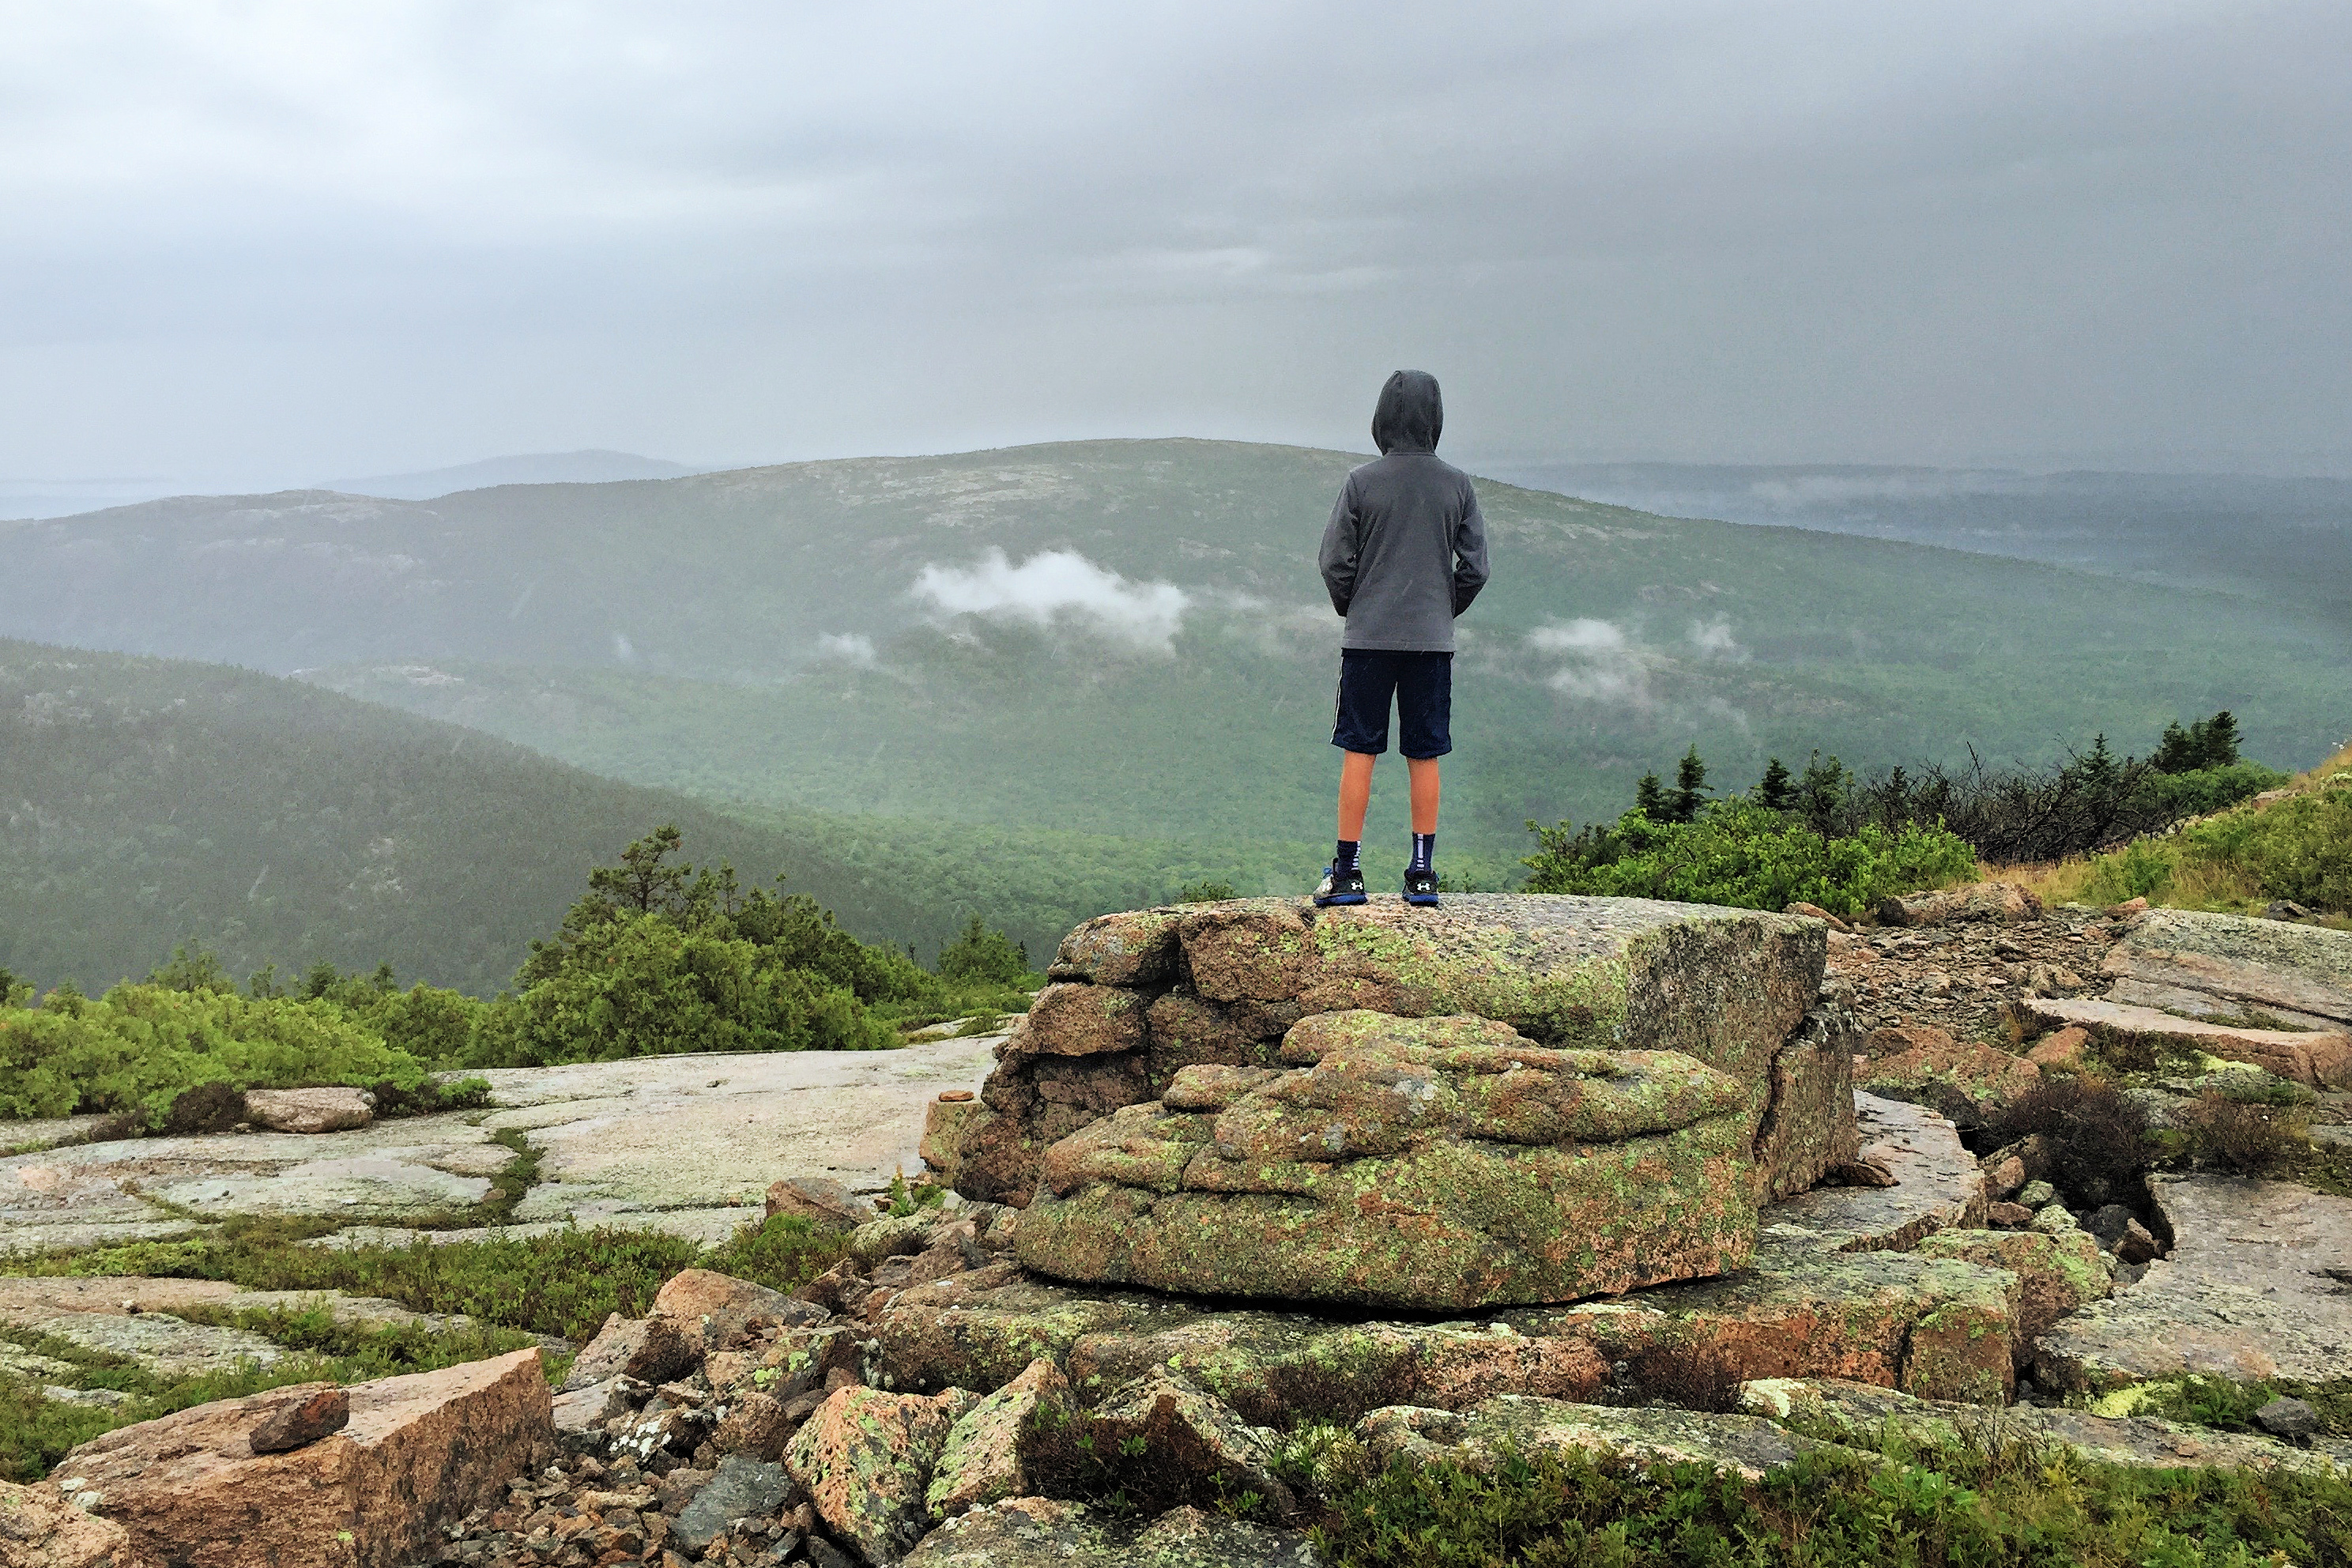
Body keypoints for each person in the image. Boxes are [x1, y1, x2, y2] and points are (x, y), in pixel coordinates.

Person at [1314, 370, 1488, 908]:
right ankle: (1422, 873)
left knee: (1360, 750)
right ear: (1435, 419)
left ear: (1382, 420)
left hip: (1368, 641)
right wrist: (1441, 610)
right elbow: (1476, 568)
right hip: (1431, 643)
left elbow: (1333, 562)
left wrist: (1356, 605)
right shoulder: (1457, 484)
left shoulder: (1361, 483)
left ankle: (1347, 873)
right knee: (1425, 752)